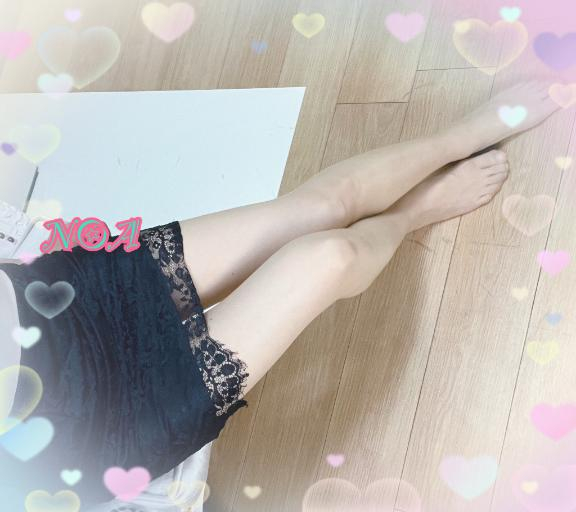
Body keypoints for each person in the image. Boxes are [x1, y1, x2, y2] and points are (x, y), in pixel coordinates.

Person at [0, 81, 559, 510]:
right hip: (89, 432)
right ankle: (412, 213)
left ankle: (463, 134)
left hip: (58, 305)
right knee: (332, 256)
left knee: (320, 209)